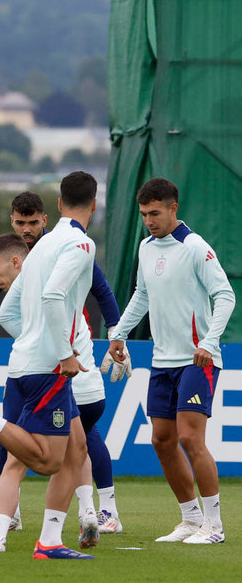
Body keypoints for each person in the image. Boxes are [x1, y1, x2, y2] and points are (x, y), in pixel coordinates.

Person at [0, 171, 105, 560]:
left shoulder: (40, 248)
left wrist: (34, 335)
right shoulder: (80, 243)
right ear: (94, 205)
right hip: (49, 369)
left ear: (58, 206)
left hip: (23, 363)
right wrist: (62, 351)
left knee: (72, 451)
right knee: (49, 460)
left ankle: (5, 539)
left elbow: (8, 308)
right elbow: (54, 295)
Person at [0, 191, 126, 533]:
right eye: (19, 223)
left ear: (45, 220)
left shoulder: (61, 247)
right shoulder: (15, 255)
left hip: (68, 357)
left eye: (32, 222)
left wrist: (116, 336)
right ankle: (32, 517)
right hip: (49, 360)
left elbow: (102, 290)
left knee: (79, 440)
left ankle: (101, 510)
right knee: (42, 440)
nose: (26, 229)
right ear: (12, 221)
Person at [108, 177, 235, 544]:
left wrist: (209, 343)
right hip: (162, 361)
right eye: (144, 214)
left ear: (173, 208)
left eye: (155, 213)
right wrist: (119, 333)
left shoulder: (196, 247)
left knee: (190, 437)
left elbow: (225, 296)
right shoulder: (146, 247)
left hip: (198, 360)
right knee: (162, 441)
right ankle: (191, 519)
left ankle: (215, 526)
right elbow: (141, 295)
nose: (149, 220)